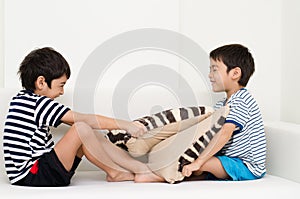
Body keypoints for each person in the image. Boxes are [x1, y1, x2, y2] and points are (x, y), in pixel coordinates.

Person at [3, 47, 163, 187]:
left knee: (87, 132)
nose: (62, 92)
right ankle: (127, 171)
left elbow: (83, 126)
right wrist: (124, 124)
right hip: (33, 174)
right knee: (81, 127)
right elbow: (85, 120)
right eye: (61, 85)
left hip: (35, 172)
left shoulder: (22, 100)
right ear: (41, 82)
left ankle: (131, 170)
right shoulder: (38, 103)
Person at [181, 44, 266, 181]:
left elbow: (224, 134)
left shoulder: (242, 100)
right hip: (228, 160)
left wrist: (198, 162)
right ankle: (154, 175)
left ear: (235, 73)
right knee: (188, 164)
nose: (210, 75)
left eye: (214, 70)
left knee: (199, 164)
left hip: (246, 167)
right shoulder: (221, 105)